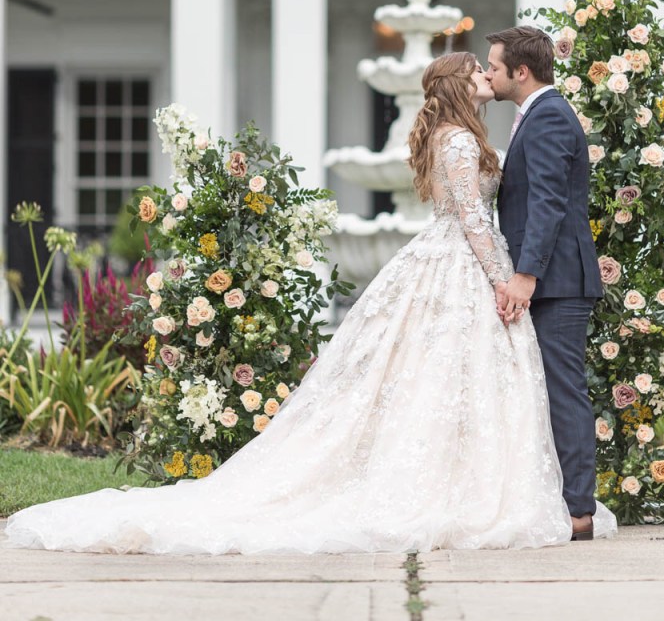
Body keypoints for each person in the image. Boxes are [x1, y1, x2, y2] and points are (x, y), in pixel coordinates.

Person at [5, 52, 614, 555]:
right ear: (461, 84)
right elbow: (476, 220)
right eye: (478, 69)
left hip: (457, 265)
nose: (488, 73)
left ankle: (469, 479)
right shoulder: (458, 141)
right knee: (447, 375)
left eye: (493, 67)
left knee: (448, 379)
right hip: (463, 266)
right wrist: (508, 279)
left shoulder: (464, 134)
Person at [485, 27, 604, 542]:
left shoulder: (551, 115)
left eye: (494, 65)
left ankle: (579, 513)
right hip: (546, 279)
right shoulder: (534, 113)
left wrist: (526, 275)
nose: (488, 73)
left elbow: (550, 202)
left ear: (521, 71)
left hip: (556, 282)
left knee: (563, 391)